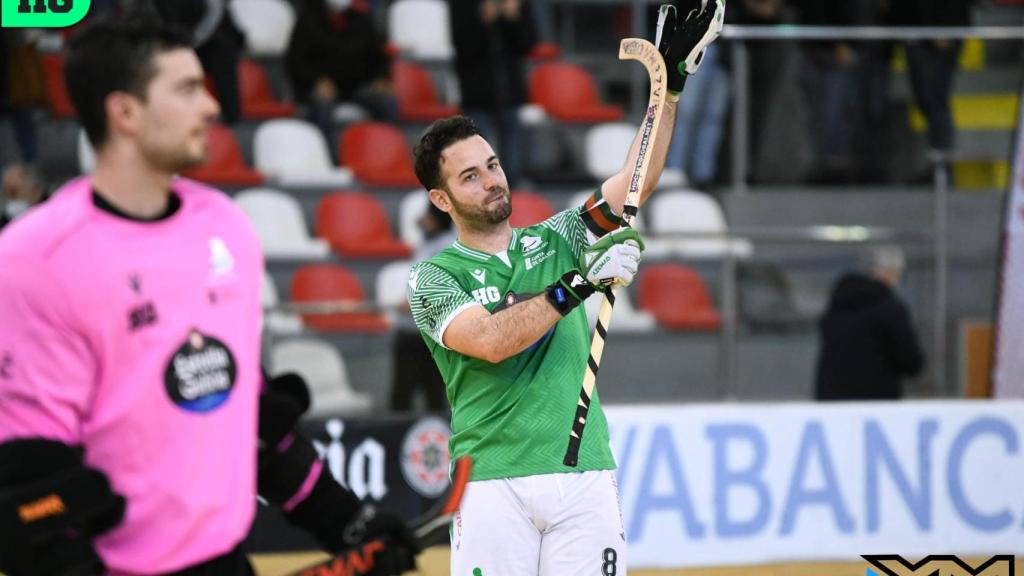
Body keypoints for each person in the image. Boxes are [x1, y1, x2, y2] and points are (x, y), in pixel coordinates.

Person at [0, 13, 417, 576]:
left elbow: (250, 414)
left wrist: (344, 522)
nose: (212, 106)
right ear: (124, 112)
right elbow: (33, 482)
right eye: (187, 89)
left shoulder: (226, 228)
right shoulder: (34, 260)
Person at [406, 3, 723, 574]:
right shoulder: (433, 277)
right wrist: (578, 285)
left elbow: (635, 185)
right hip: (491, 482)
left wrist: (668, 93)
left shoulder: (557, 236)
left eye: (493, 164)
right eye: (469, 177)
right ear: (441, 200)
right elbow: (491, 341)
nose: (491, 180)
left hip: (584, 474)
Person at [815, 246, 925, 401]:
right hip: (877, 402)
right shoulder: (891, 310)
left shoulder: (837, 305)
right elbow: (912, 362)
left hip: (833, 403)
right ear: (892, 273)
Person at [449, 0, 538, 188]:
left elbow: (527, 44)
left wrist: (512, 18)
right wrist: (484, 21)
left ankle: (512, 209)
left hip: (511, 95)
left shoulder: (515, 3)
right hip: (477, 97)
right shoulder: (463, 5)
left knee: (513, 166)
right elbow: (463, 47)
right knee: (479, 162)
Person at [285, 0, 398, 142]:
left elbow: (379, 56)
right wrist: (316, 81)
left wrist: (383, 78)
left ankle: (386, 151)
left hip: (356, 86)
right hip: (320, 88)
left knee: (386, 102)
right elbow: (295, 62)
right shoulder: (308, 20)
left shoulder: (361, 19)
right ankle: (328, 158)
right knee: (322, 106)